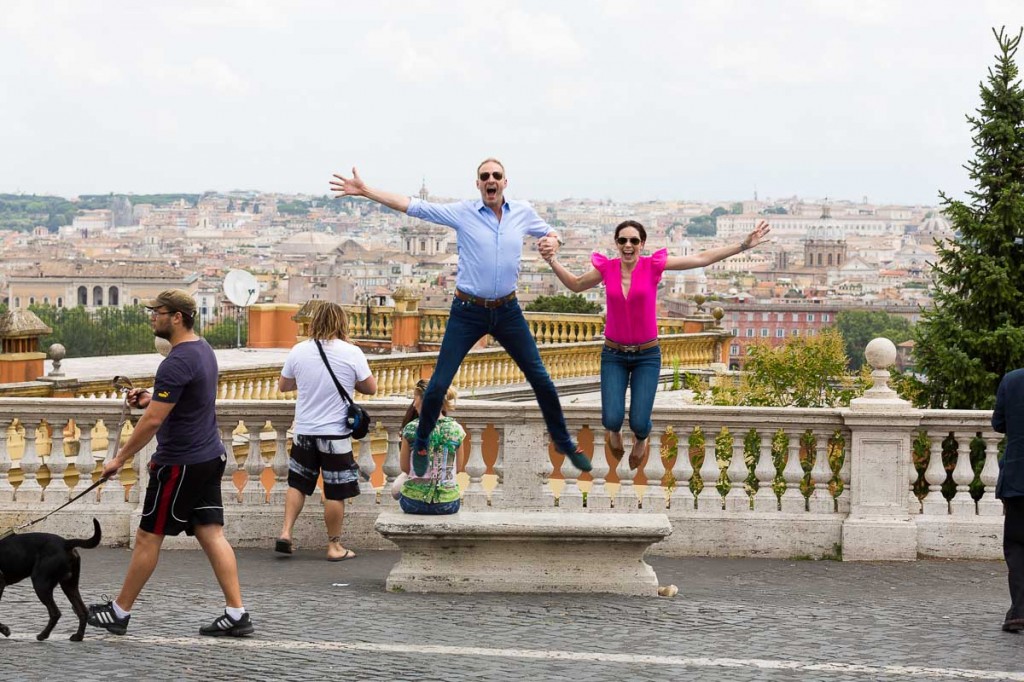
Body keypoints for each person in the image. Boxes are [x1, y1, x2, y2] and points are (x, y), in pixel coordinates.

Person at [330, 159, 592, 475]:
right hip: (467, 311)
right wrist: (366, 190)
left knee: (541, 379)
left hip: (508, 311)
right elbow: (413, 206)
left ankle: (563, 440)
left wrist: (555, 240)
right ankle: (423, 439)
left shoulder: (522, 212)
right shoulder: (463, 213)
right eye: (485, 177)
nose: (491, 180)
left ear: (505, 182)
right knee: (439, 382)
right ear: (478, 184)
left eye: (496, 176)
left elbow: (552, 232)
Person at [87, 289, 254, 637]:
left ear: (177, 317)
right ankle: (237, 613)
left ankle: (119, 612)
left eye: (157, 311)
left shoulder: (175, 362)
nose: (152, 317)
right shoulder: (203, 350)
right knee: (211, 533)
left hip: (180, 463)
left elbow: (151, 422)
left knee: (148, 536)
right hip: (209, 455)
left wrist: (119, 458)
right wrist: (150, 397)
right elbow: (182, 399)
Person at [540, 219, 771, 469]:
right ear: (616, 243)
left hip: (646, 355)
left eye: (634, 241)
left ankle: (642, 438)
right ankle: (614, 434)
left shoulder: (653, 266)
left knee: (639, 422)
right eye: (622, 240)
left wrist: (743, 245)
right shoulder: (607, 268)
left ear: (642, 244)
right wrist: (552, 261)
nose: (628, 245)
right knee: (611, 419)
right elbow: (575, 285)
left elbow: (700, 258)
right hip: (613, 355)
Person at [276, 301, 377, 561]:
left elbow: (284, 385)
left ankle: (286, 532)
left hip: (305, 430)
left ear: (314, 321)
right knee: (334, 490)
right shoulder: (351, 352)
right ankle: (334, 546)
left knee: (297, 484)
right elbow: (370, 388)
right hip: (335, 434)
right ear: (341, 322)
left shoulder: (299, 351)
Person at [391, 380, 464, 515]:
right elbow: (458, 468)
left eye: (415, 399)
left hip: (413, 503)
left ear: (423, 401)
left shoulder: (411, 428)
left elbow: (405, 468)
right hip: (448, 503)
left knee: (397, 489)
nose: (414, 404)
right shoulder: (457, 429)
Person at [993, 368, 1024, 633]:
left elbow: (998, 424)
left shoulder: (1012, 380)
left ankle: (1018, 611)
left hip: (1018, 477)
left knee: (1017, 547)